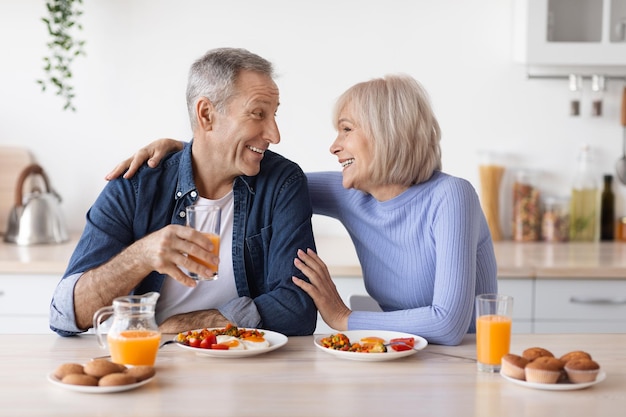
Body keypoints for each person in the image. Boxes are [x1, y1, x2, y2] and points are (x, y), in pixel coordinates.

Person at [108, 74, 498, 346]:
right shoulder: (355, 195)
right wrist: (188, 147)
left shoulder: (453, 196)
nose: (334, 146)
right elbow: (255, 178)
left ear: (387, 132)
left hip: (465, 363)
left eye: (346, 130)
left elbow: (448, 324)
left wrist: (342, 317)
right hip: (399, 351)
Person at [50, 47, 317, 337]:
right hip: (148, 361)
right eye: (257, 114)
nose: (274, 135)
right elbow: (64, 315)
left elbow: (298, 307)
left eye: (274, 115)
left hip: (240, 365)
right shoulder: (136, 184)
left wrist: (198, 325)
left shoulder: (282, 183)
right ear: (206, 115)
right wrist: (141, 256)